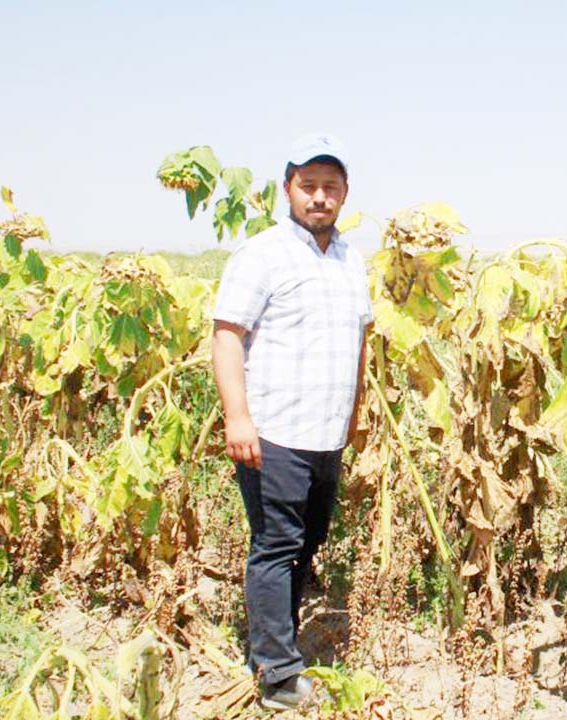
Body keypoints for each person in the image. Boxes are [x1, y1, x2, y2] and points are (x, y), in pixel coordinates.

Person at [211, 131, 372, 710]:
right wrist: (238, 418)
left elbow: (360, 341)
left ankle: (277, 640)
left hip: (327, 432)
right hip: (274, 430)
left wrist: (354, 413)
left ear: (345, 193)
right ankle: (277, 673)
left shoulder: (352, 260)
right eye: (309, 186)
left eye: (330, 187)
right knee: (277, 544)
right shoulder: (261, 255)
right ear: (288, 189)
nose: (320, 197)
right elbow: (227, 336)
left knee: (310, 539)